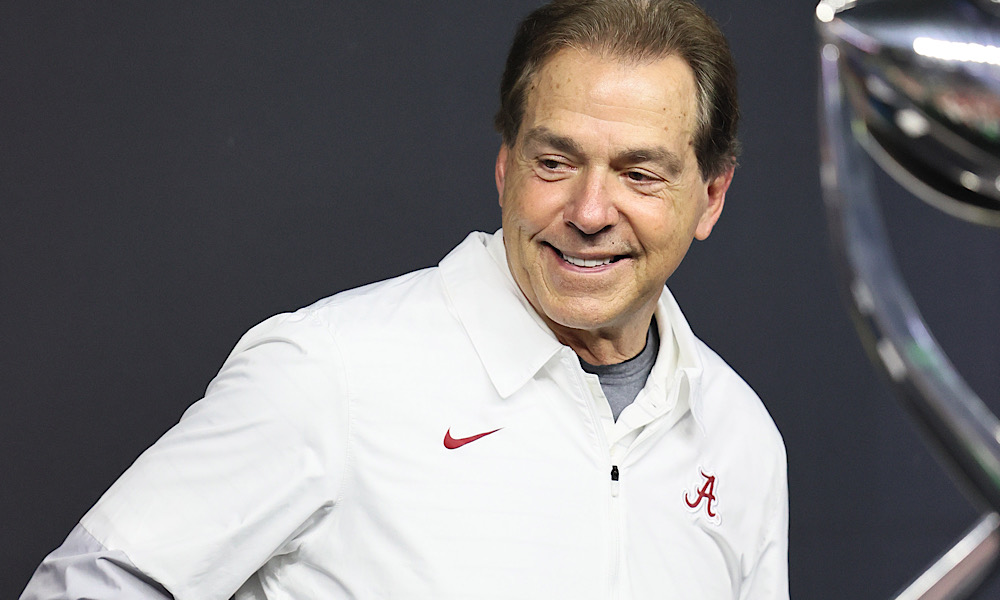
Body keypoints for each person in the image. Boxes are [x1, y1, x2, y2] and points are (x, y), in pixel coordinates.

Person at [21, 0, 787, 598]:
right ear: (505, 168)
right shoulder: (328, 374)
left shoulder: (741, 438)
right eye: (555, 161)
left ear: (712, 196)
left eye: (640, 174)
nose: (589, 211)